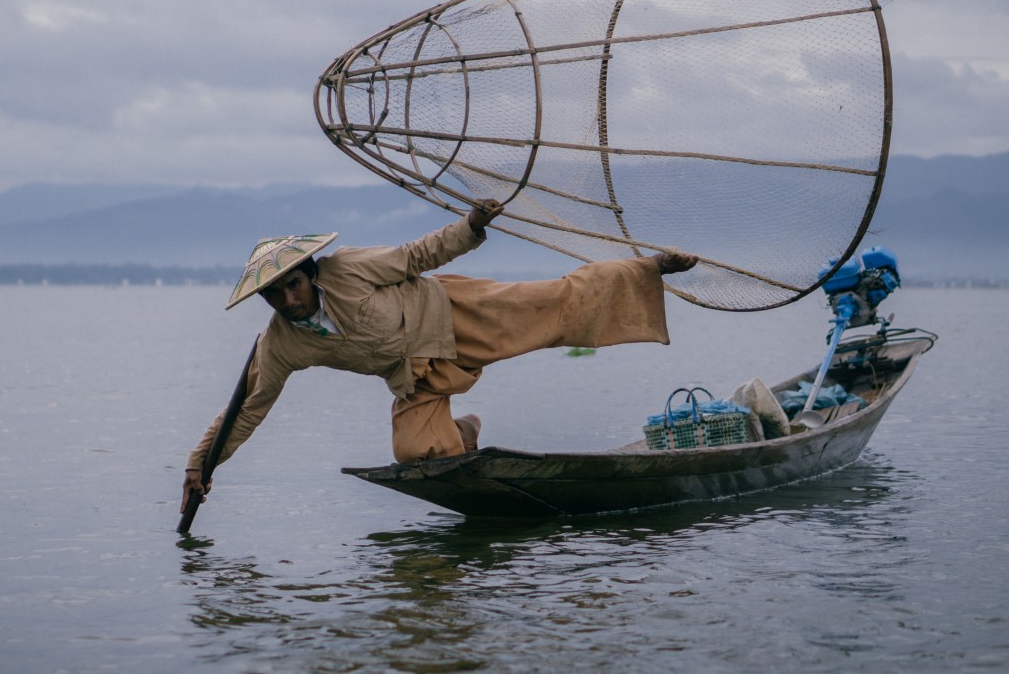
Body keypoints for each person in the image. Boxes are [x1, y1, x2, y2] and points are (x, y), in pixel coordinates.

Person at [180, 200, 697, 515]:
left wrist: (471, 226)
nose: (288, 300)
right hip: (414, 375)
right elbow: (247, 409)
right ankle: (462, 434)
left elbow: (416, 257)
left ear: (309, 274)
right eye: (274, 295)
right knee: (417, 457)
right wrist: (199, 466)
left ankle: (647, 269)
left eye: (292, 284)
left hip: (453, 314)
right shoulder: (282, 344)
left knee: (559, 305)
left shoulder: (347, 270)